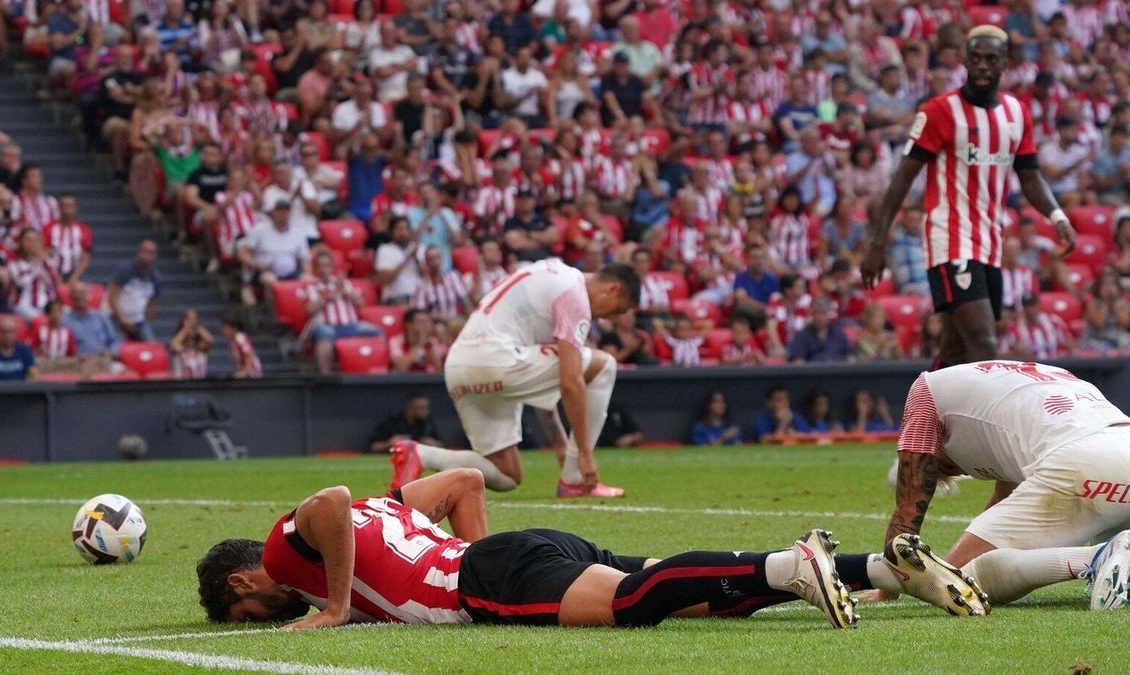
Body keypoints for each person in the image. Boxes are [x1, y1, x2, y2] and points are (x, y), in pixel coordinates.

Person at [195, 469, 987, 629]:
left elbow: (326, 501)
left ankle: (793, 565)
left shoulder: (285, 547)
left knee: (630, 606)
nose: (261, 615)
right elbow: (464, 479)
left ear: (242, 577)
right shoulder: (382, 509)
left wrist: (332, 608)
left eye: (246, 610)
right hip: (502, 552)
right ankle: (881, 568)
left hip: (485, 575)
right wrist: (468, 549)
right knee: (686, 589)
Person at [861, 26, 1079, 369]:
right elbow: (902, 178)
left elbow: (1031, 175)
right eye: (975, 58)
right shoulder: (939, 111)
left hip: (990, 242)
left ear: (1004, 63)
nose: (981, 66)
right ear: (964, 60)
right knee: (984, 342)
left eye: (990, 59)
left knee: (956, 351)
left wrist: (1058, 217)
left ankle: (926, 416)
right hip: (949, 239)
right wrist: (878, 243)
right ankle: (982, 425)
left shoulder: (1016, 113)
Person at [875, 360, 1130, 610]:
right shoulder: (1015, 384)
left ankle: (1094, 558)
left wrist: (888, 590)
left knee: (955, 583)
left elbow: (909, 509)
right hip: (1118, 441)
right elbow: (1005, 498)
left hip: (1082, 460)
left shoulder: (924, 391)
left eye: (946, 469)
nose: (957, 471)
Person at [389, 260, 641, 498]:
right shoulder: (575, 295)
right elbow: (570, 381)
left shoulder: (549, 273)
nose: (610, 318)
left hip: (458, 366)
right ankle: (576, 481)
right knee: (605, 365)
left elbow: (545, 381)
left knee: (506, 475)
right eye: (618, 309)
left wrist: (562, 447)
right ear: (612, 288)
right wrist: (584, 455)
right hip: (496, 360)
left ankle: (420, 454)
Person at [301, 250, 381, 375]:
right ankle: (325, 376)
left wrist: (344, 290)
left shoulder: (344, 283)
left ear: (332, 267)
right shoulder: (311, 287)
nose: (323, 269)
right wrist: (330, 294)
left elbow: (360, 303)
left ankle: (378, 371)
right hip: (328, 327)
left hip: (351, 325)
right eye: (320, 266)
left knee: (377, 332)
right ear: (315, 268)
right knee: (323, 337)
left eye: (327, 265)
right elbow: (309, 310)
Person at [108, 240, 161, 341]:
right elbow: (112, 297)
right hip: (117, 318)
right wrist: (122, 319)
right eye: (145, 252)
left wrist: (148, 323)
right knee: (117, 349)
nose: (146, 256)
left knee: (152, 348)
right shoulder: (125, 270)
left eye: (150, 253)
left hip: (139, 320)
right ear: (138, 252)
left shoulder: (155, 277)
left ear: (155, 256)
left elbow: (152, 304)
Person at [367, 393, 443, 453]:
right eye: (421, 408)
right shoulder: (393, 422)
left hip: (419, 458)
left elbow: (441, 445)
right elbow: (373, 447)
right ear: (410, 408)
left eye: (427, 408)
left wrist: (434, 444)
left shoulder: (427, 424)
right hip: (392, 458)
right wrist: (389, 443)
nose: (426, 411)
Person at [0, 315, 38, 382]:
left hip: (20, 390)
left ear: (16, 332)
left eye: (10, 332)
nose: (7, 335)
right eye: (3, 331)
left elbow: (35, 376)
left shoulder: (24, 350)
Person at [787, 298, 851, 363]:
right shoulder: (802, 336)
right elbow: (797, 361)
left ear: (828, 315)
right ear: (811, 315)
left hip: (839, 371)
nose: (819, 317)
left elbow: (850, 356)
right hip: (812, 372)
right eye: (816, 313)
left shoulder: (838, 334)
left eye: (823, 313)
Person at [170, 309, 214, 379]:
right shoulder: (179, 347)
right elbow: (173, 345)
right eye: (188, 319)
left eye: (195, 319)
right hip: (182, 384)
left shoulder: (201, 348)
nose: (192, 322)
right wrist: (185, 330)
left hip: (200, 384)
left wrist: (198, 328)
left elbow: (210, 341)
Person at [221, 311, 262, 378]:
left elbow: (250, 353)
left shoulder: (240, 338)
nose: (223, 330)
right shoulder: (232, 342)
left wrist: (246, 371)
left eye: (226, 327)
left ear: (234, 328)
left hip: (252, 377)